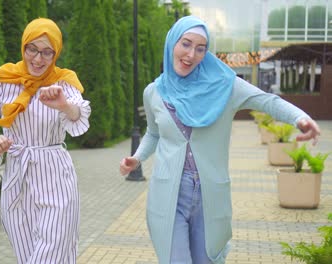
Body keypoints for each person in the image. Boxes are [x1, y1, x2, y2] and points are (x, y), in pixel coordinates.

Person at [119, 16, 320, 264]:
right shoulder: (154, 92)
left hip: (210, 195)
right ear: (172, 43)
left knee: (208, 260)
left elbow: (267, 101)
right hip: (168, 195)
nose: (191, 54)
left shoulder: (226, 86)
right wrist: (137, 158)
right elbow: (153, 133)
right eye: (186, 44)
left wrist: (300, 118)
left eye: (200, 48)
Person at [0, 18, 91, 263]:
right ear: (24, 46)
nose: (38, 59)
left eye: (47, 52)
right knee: (27, 253)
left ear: (56, 53)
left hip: (55, 175)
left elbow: (79, 113)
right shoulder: (4, 79)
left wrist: (64, 106)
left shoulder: (63, 81)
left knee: (52, 250)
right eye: (32, 49)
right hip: (18, 176)